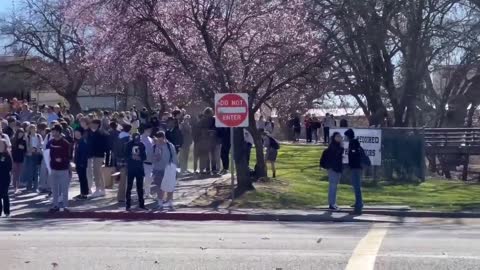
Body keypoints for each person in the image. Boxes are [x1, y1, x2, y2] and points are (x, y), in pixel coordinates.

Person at [48, 124, 72, 213]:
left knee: (64, 188)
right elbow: (48, 153)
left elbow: (69, 156)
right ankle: (55, 205)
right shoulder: (51, 142)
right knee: (54, 189)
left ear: (59, 132)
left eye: (54, 131)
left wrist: (62, 159)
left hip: (63, 169)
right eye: (52, 131)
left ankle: (65, 206)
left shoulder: (65, 143)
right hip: (53, 168)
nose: (53, 133)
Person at [152, 131, 178, 211]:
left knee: (170, 187)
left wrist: (175, 169)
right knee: (160, 187)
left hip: (169, 169)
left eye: (161, 140)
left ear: (164, 138)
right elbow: (153, 159)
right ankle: (160, 203)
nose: (159, 142)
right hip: (158, 169)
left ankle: (170, 203)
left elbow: (174, 158)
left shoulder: (170, 146)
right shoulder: (155, 147)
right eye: (158, 140)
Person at [320, 132, 344, 210]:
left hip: (337, 168)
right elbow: (333, 156)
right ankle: (331, 204)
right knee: (332, 186)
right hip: (332, 169)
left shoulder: (339, 146)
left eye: (340, 136)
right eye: (337, 136)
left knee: (335, 186)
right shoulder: (333, 146)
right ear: (334, 138)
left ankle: (334, 203)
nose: (339, 138)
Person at [125, 133, 148, 211]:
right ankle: (128, 205)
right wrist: (131, 157)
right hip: (131, 168)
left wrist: (140, 158)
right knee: (129, 187)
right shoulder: (128, 145)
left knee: (140, 188)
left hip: (139, 169)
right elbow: (125, 155)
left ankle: (142, 204)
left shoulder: (142, 145)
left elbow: (145, 156)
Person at [344, 129, 364, 215]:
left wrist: (352, 152)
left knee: (356, 187)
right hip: (355, 167)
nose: (344, 137)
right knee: (356, 186)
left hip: (355, 168)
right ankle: (358, 202)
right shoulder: (353, 142)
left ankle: (358, 207)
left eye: (345, 136)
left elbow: (355, 154)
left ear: (348, 136)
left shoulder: (353, 143)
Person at [87, 119, 107, 197]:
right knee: (99, 172)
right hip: (99, 155)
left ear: (97, 124)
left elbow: (96, 145)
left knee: (96, 172)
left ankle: (98, 189)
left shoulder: (98, 133)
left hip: (98, 155)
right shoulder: (100, 132)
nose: (91, 125)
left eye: (93, 123)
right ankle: (102, 189)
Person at [114, 124, 131, 203]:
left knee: (122, 179)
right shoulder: (128, 139)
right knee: (125, 180)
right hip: (126, 161)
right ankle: (122, 197)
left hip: (119, 160)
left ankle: (121, 196)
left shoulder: (118, 137)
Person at [23, 124, 42, 192]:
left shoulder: (38, 136)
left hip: (37, 154)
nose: (33, 130)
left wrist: (37, 149)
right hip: (30, 155)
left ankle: (35, 187)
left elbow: (40, 145)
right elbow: (26, 146)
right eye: (31, 128)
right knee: (30, 171)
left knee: (36, 171)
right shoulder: (27, 136)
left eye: (34, 128)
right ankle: (29, 186)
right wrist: (31, 150)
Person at [73, 128, 89, 200]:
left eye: (77, 133)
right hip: (78, 163)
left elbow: (84, 154)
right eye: (75, 133)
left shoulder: (83, 141)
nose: (76, 134)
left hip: (81, 163)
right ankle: (82, 193)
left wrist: (82, 163)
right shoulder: (78, 141)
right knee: (81, 178)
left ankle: (84, 194)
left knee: (83, 178)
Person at [140, 124, 154, 199]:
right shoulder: (140, 138)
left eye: (150, 130)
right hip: (143, 162)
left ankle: (147, 192)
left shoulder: (151, 139)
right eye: (148, 130)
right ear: (145, 130)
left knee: (150, 178)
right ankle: (145, 193)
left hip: (151, 161)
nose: (150, 132)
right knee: (145, 178)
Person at [11, 128, 26, 194]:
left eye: (22, 133)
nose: (21, 134)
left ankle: (17, 188)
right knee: (14, 173)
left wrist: (23, 148)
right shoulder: (13, 139)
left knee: (19, 174)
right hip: (14, 158)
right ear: (17, 133)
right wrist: (17, 147)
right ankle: (14, 188)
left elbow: (25, 150)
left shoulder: (23, 140)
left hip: (21, 158)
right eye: (20, 133)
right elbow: (11, 149)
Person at [0, 139, 12, 218]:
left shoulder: (7, 155)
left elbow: (10, 166)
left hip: (5, 177)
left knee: (5, 194)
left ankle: (7, 211)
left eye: (1, 145)